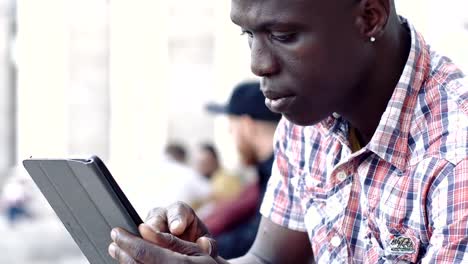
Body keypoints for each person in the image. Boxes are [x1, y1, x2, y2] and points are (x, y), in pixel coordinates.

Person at [108, 0, 468, 263]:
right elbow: (268, 260)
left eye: (283, 34)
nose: (258, 64)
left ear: (369, 17)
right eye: (248, 34)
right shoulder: (309, 117)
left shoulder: (455, 153)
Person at [201, 81, 281, 258]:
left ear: (246, 124)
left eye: (231, 124)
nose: (230, 132)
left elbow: (254, 243)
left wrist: (198, 248)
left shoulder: (280, 172)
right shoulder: (272, 169)